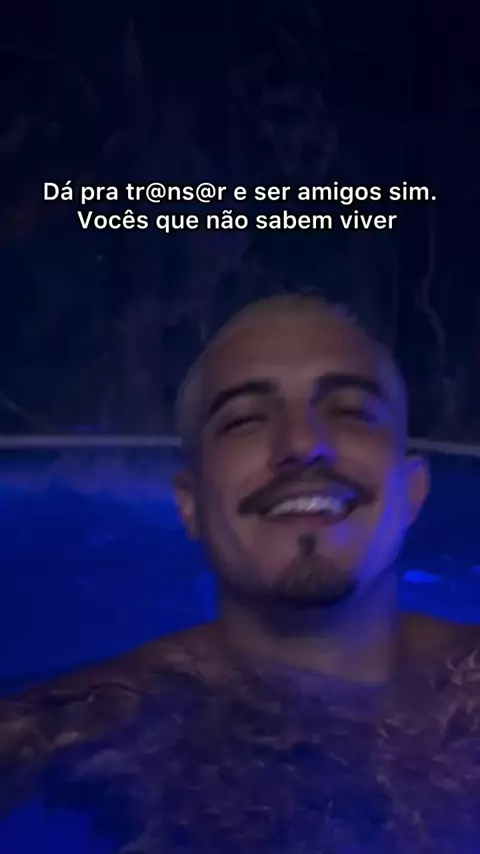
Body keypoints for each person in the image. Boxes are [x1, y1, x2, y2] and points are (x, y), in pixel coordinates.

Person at [0, 294, 479, 853]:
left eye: (350, 411)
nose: (303, 444)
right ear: (190, 504)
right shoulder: (93, 719)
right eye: (245, 420)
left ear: (413, 490)